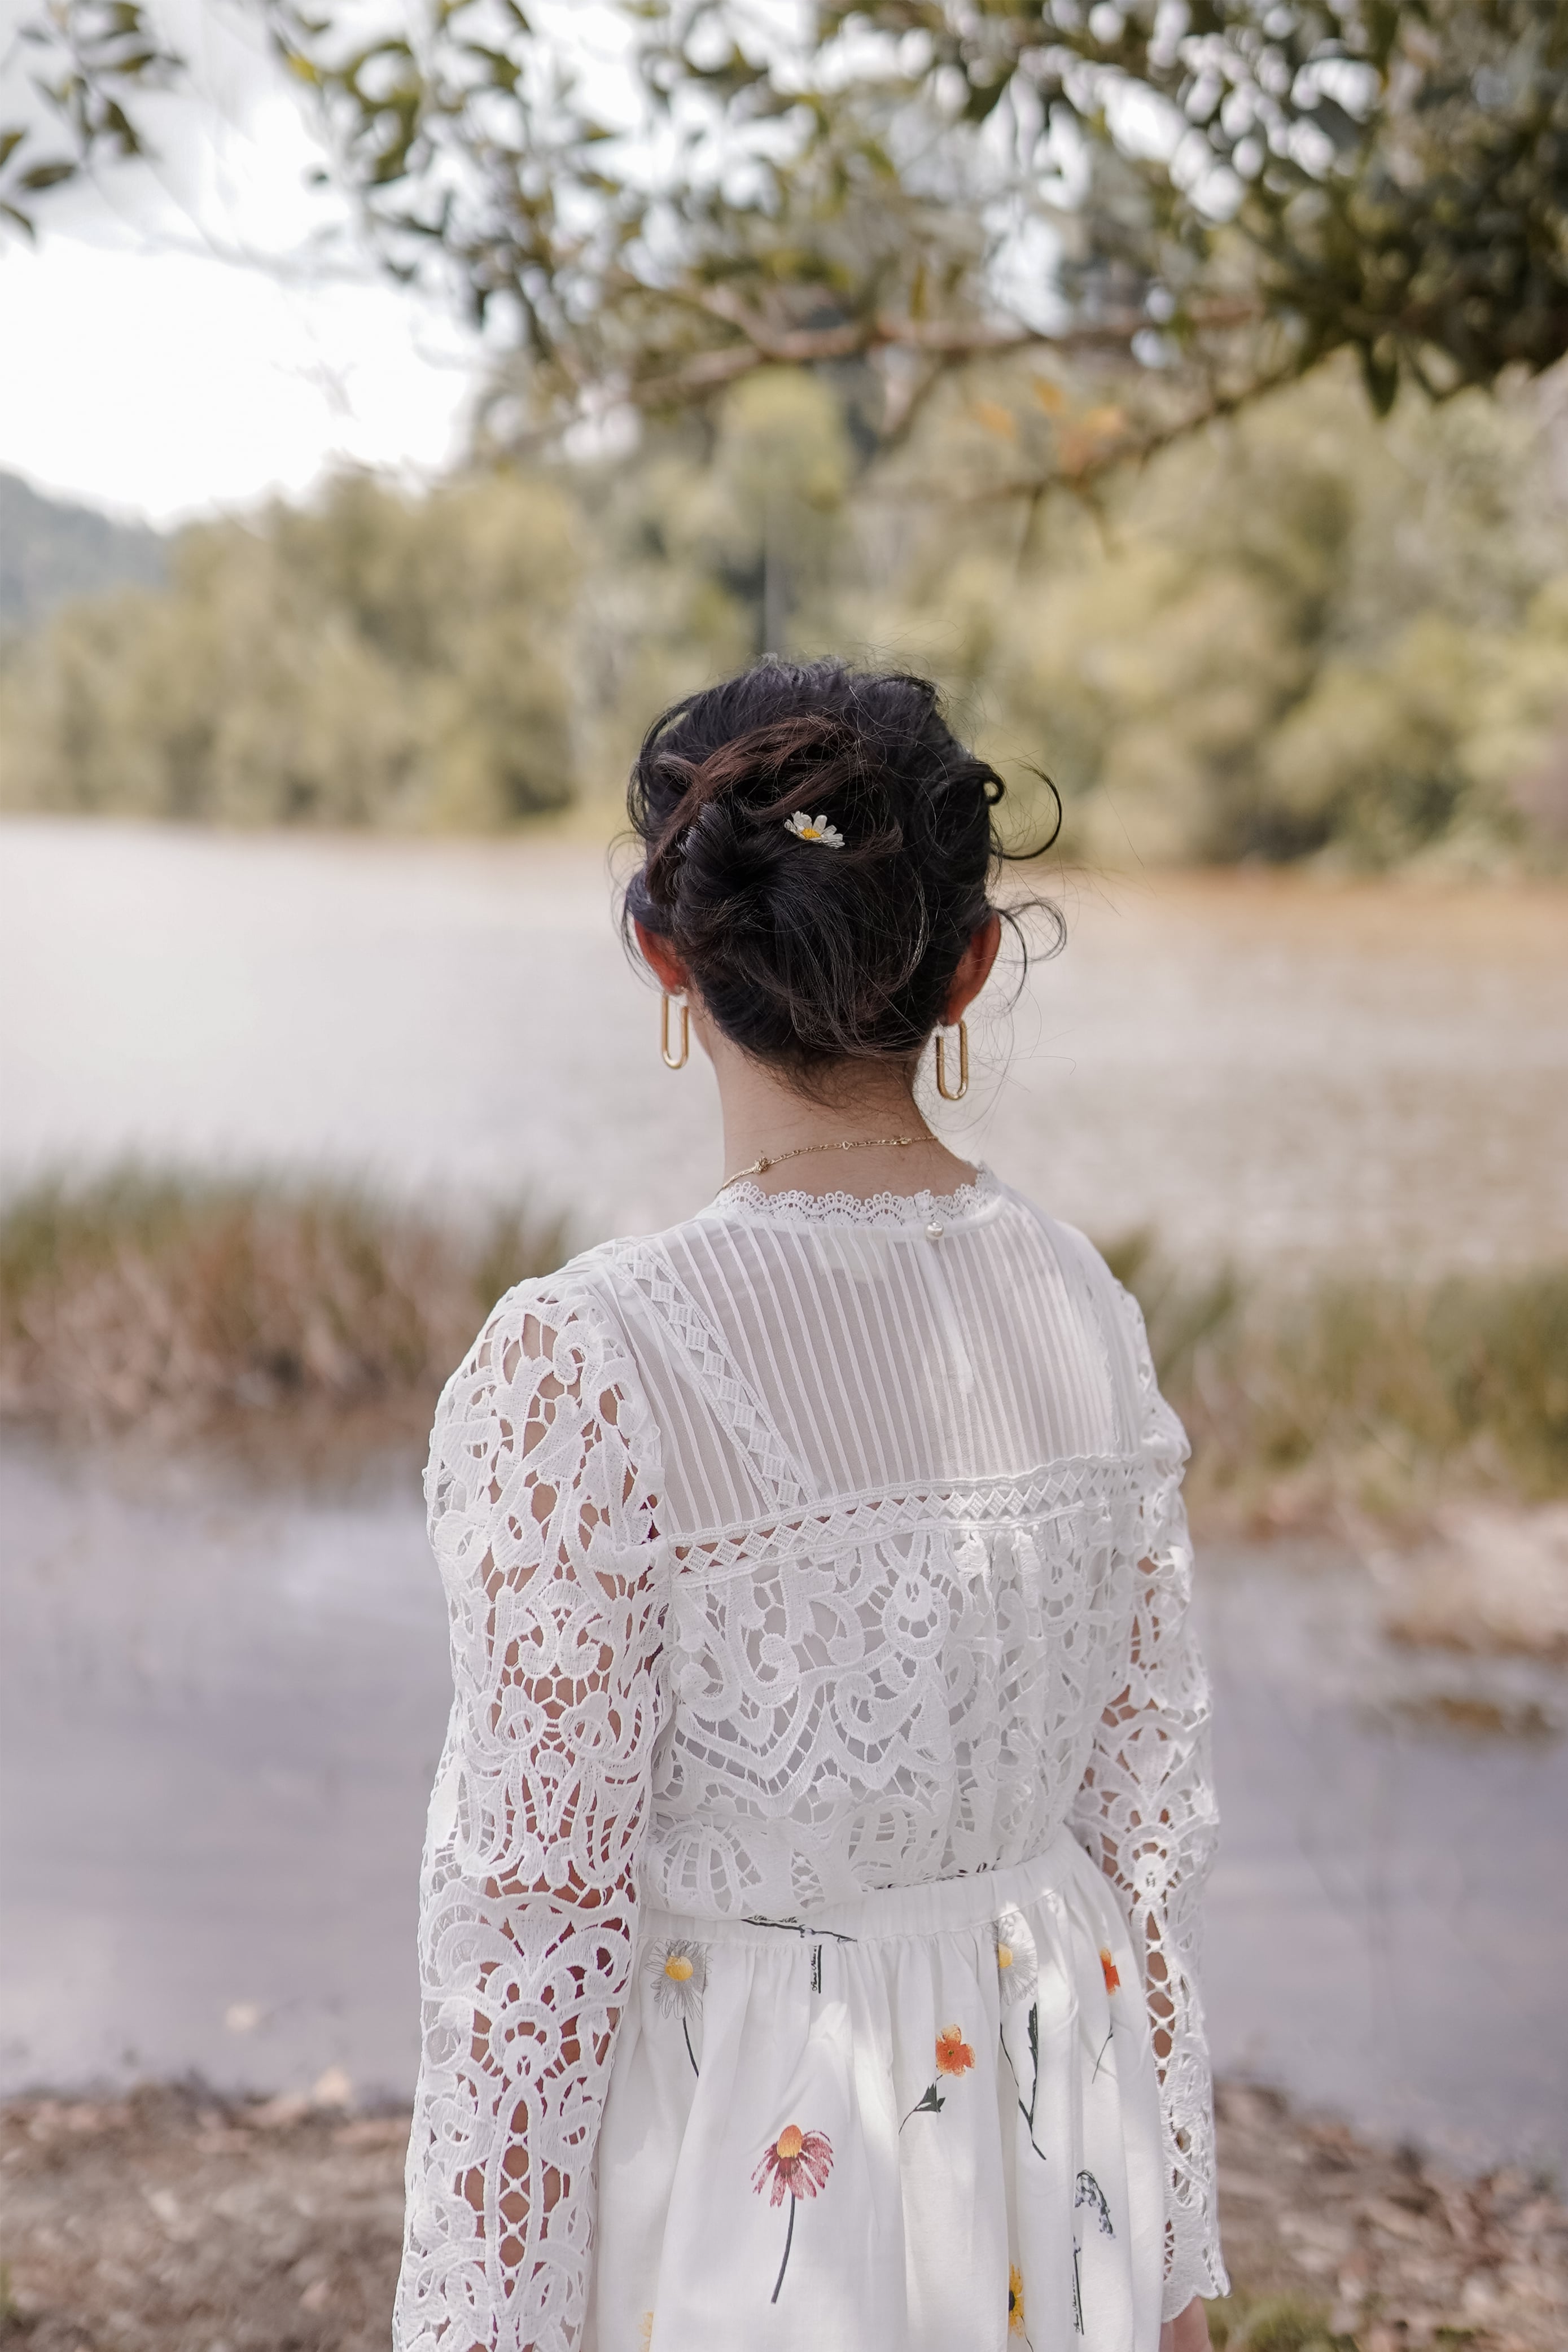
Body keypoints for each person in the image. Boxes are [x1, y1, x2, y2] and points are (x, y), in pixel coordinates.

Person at [393, 661, 1227, 2352]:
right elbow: (1141, 1848)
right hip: (1045, 2143)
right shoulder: (1084, 1305)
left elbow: (532, 1949)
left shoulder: (586, 1366)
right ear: (970, 967)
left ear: (666, 956)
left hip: (752, 2189)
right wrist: (1169, 2245)